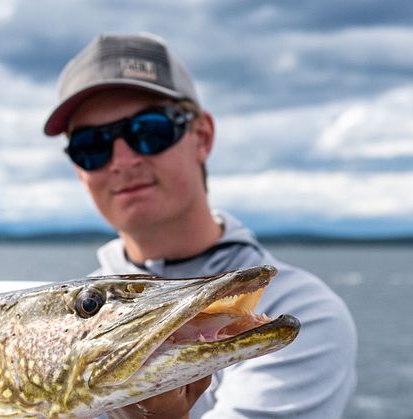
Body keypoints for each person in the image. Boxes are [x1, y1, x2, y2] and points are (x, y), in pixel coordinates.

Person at [38, 32, 357, 418]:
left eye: (149, 131)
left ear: (201, 136)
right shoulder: (64, 319)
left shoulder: (303, 309)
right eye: (91, 145)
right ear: (78, 169)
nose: (120, 159)